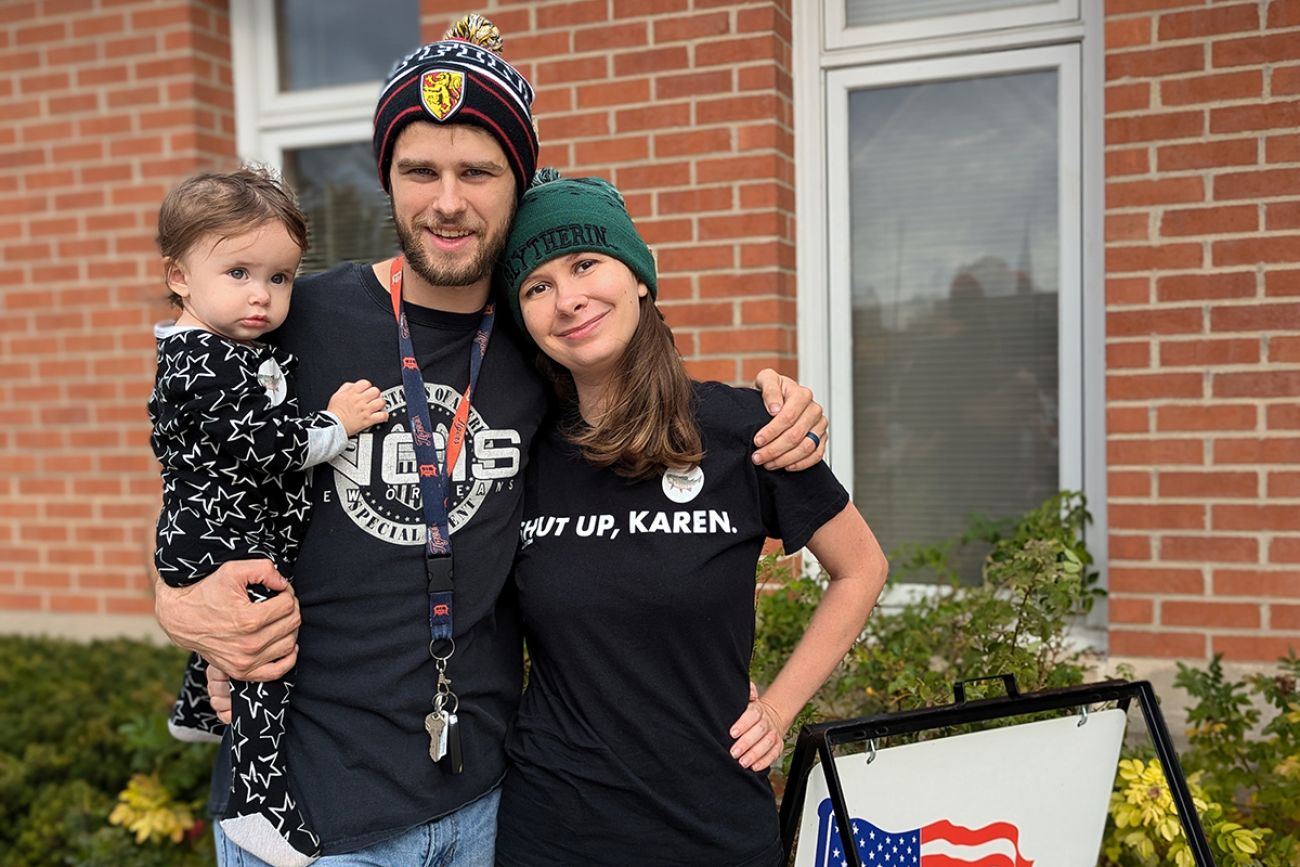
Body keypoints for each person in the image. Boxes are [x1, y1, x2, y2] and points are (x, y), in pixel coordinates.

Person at [153, 14, 827, 867]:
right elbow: (198, 460)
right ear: (385, 181)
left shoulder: (539, 342)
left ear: (518, 181)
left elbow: (645, 400)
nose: (447, 200)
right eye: (419, 170)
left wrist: (780, 405)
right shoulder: (292, 315)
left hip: (490, 807)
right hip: (308, 822)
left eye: (477, 171)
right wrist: (176, 602)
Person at [491, 173, 888, 866]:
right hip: (554, 830)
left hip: (713, 827)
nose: (568, 298)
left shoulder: (743, 429)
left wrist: (778, 709)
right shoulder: (519, 453)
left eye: (585, 264)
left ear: (640, 278)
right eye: (537, 286)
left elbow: (861, 568)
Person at [150, 167, 389, 866]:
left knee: (233, 643)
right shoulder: (205, 363)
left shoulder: (220, 349)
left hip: (215, 532)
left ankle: (195, 707)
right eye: (239, 271)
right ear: (180, 275)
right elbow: (272, 444)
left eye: (281, 278)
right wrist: (339, 422)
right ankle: (258, 799)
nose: (262, 294)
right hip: (220, 539)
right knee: (266, 660)